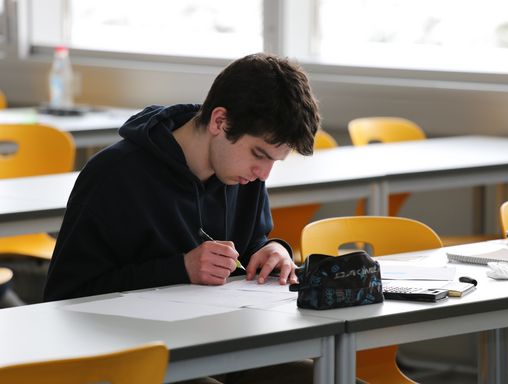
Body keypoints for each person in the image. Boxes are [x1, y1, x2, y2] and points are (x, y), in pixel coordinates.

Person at [44, 53, 319, 302]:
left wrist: (272, 252)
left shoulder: (245, 175)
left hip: (222, 339)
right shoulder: (113, 174)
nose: (264, 174)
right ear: (219, 122)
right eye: (259, 154)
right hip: (136, 349)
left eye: (274, 160)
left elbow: (250, 247)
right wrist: (180, 269)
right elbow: (65, 295)